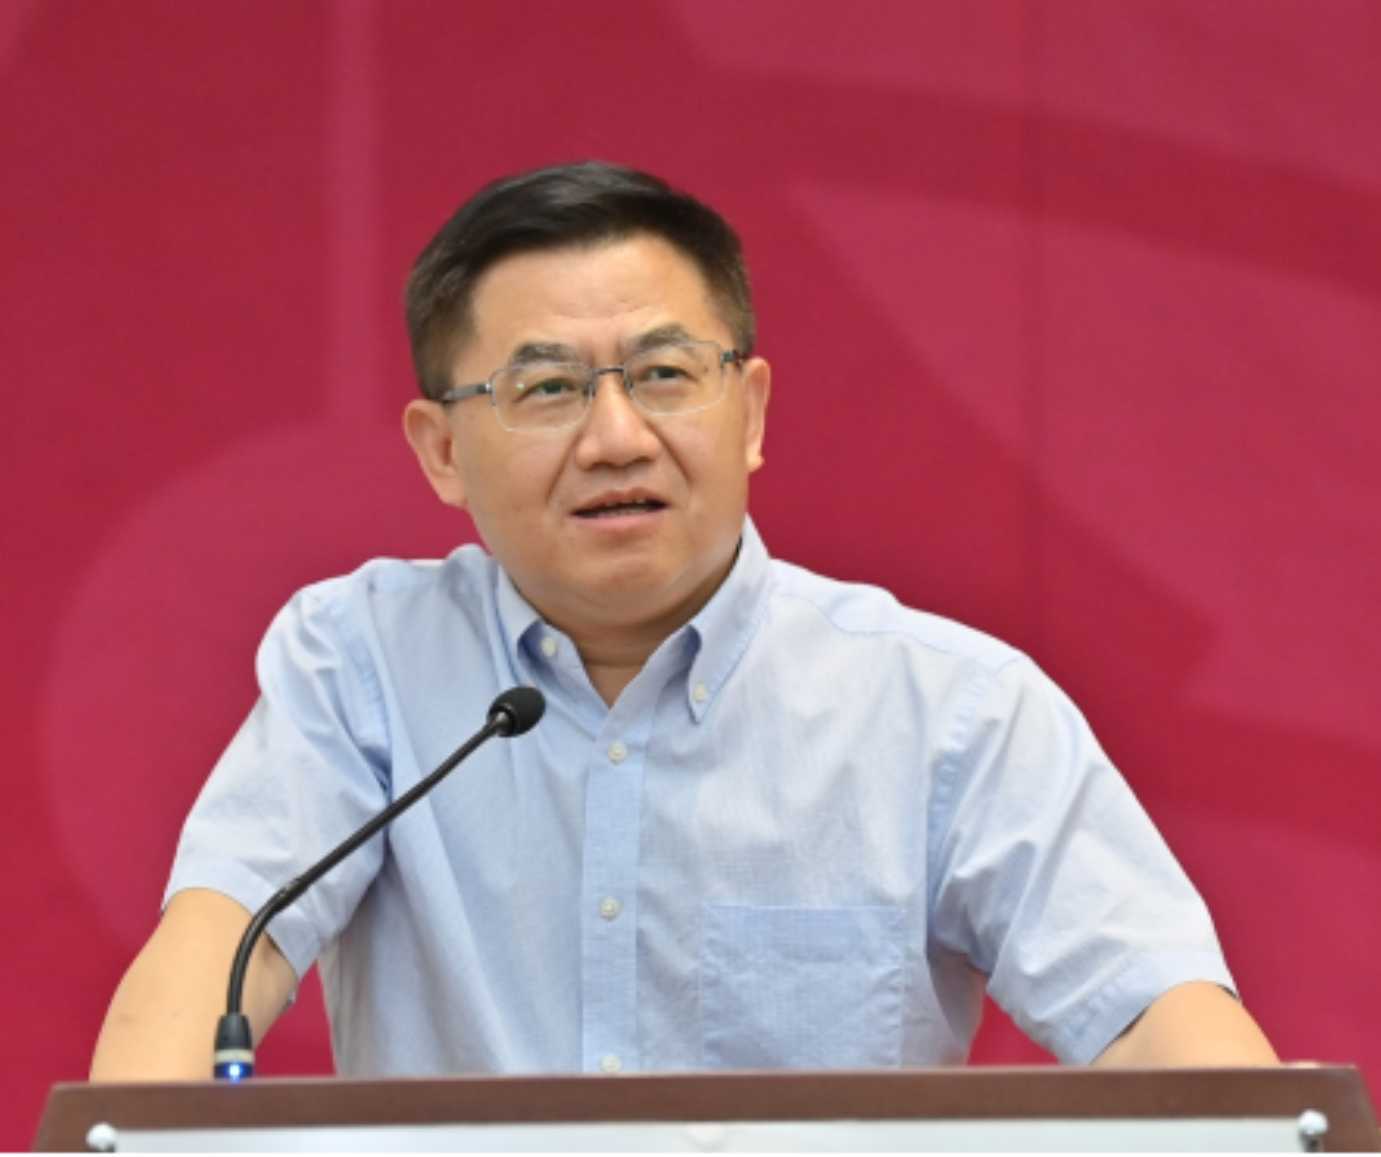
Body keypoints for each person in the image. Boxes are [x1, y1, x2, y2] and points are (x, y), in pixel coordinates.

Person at [91, 162, 1278, 1081]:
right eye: (547, 388)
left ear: (748, 412)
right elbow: (218, 950)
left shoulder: (949, 708)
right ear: (442, 449)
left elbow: (1152, 1022)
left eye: (664, 375)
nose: (616, 437)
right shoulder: (363, 665)